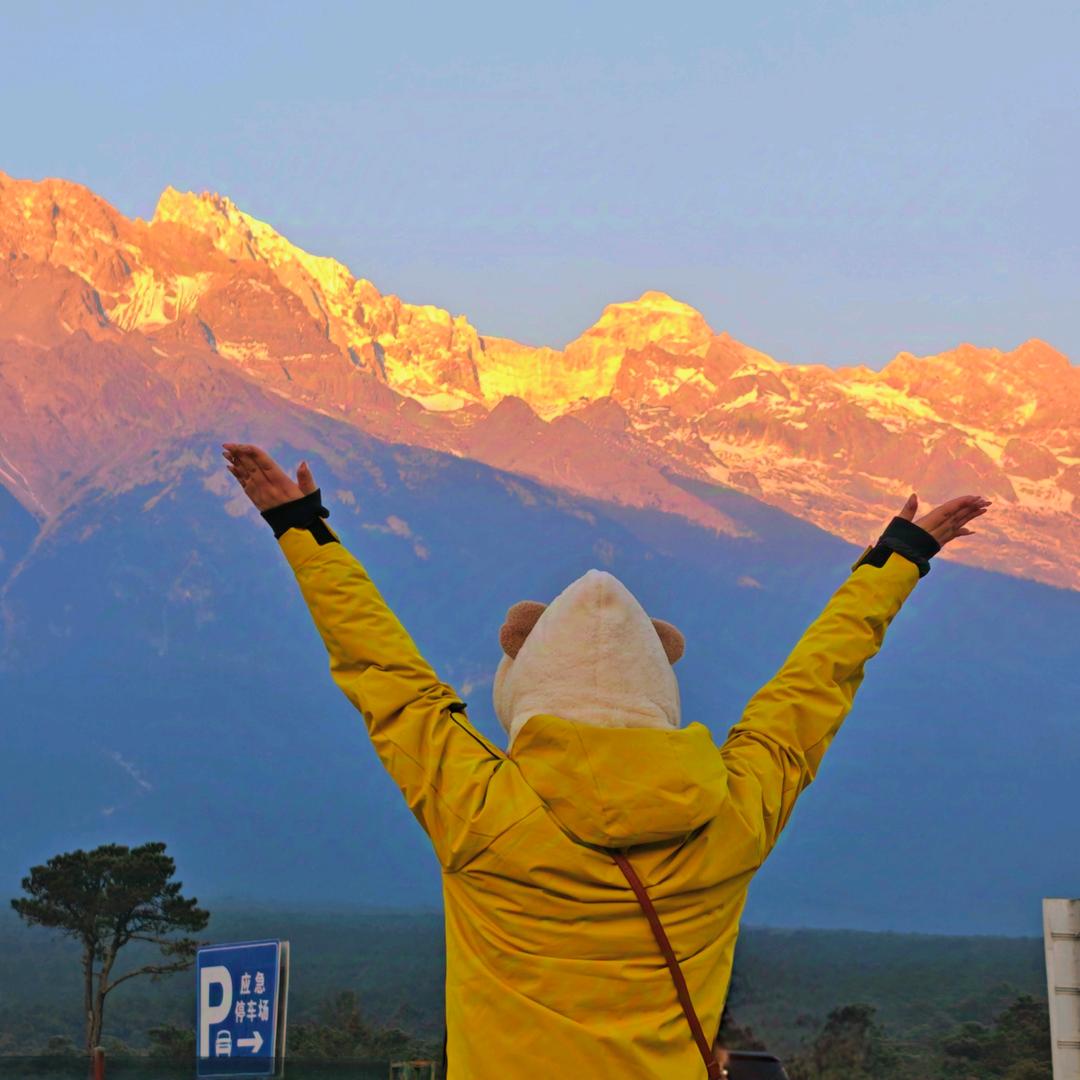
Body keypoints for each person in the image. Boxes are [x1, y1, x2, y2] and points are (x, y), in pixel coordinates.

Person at [222, 441, 989, 1079]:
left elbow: (383, 671)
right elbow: (812, 687)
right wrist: (898, 559)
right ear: (660, 684)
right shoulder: (732, 813)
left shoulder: (482, 811)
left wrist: (300, 526)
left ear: (524, 681)